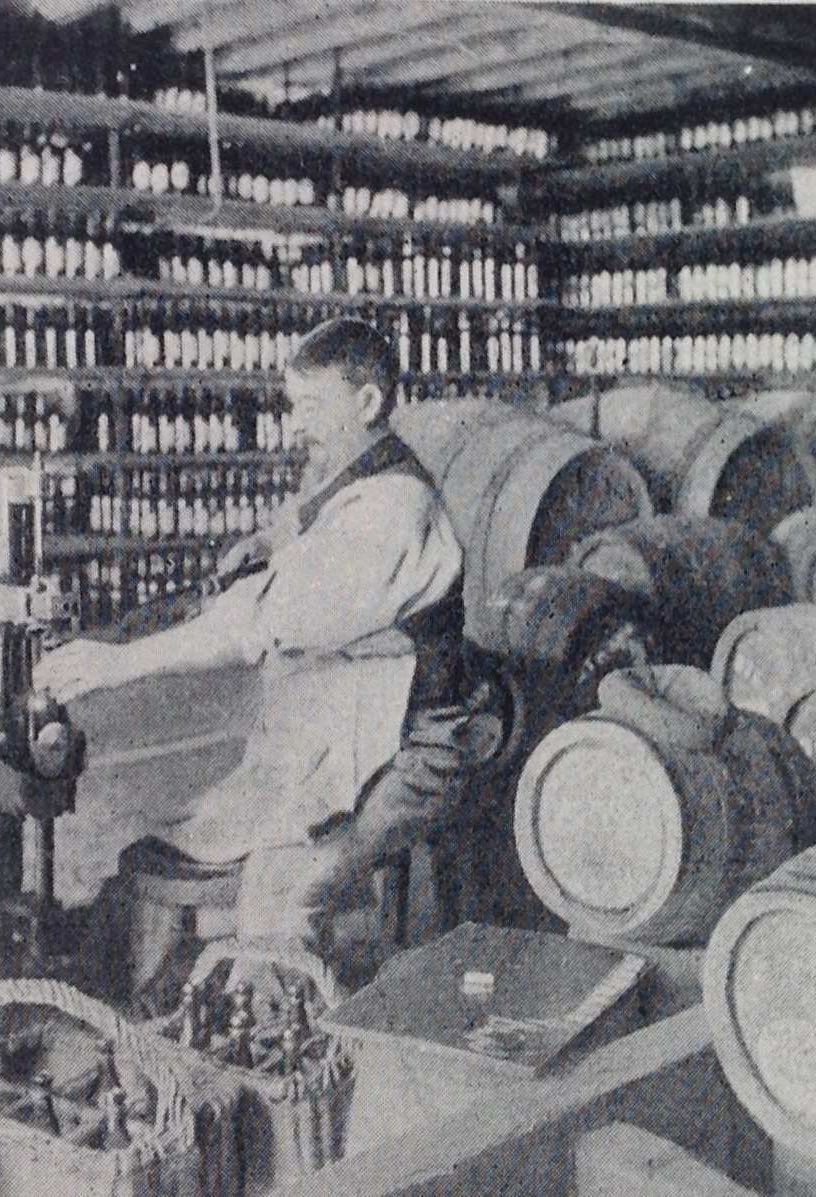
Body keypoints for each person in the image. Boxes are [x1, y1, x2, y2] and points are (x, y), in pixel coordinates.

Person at [33, 317, 480, 969]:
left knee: (281, 890)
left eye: (311, 406)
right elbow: (307, 521)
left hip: (410, 752)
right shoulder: (359, 474)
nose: (296, 424)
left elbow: (260, 623)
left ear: (367, 402)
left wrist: (118, 661)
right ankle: (161, 1002)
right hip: (343, 731)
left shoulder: (394, 508)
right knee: (167, 840)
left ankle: (283, 1051)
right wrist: (266, 544)